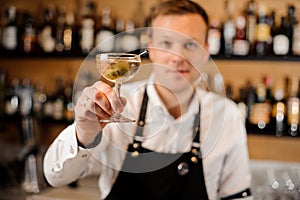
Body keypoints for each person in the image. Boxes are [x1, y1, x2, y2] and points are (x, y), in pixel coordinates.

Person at [43, 0, 253, 199]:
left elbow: (237, 196)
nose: (177, 57)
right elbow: (55, 176)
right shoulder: (114, 104)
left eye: (190, 44)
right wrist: (85, 133)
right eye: (166, 43)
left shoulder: (227, 116)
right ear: (151, 48)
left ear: (207, 50)